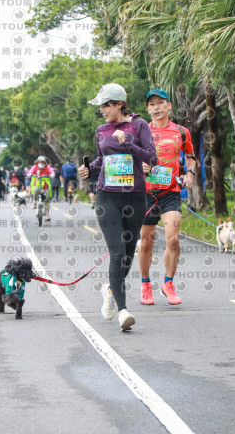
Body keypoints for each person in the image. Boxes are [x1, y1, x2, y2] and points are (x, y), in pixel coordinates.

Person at [79, 83, 157, 332]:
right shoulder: (101, 129)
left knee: (127, 254)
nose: (102, 110)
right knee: (116, 253)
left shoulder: (139, 125)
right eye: (100, 106)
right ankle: (123, 310)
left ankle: (110, 290)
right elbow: (102, 159)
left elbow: (151, 158)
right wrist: (89, 169)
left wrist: (127, 144)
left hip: (135, 196)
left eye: (106, 105)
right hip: (107, 197)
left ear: (120, 104)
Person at [138, 89, 196, 306]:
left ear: (169, 105)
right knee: (146, 242)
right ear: (147, 108)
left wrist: (189, 173)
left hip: (170, 192)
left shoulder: (181, 132)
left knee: (173, 238)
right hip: (145, 192)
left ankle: (168, 283)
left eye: (160, 102)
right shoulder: (140, 131)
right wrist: (139, 166)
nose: (156, 107)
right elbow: (127, 159)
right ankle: (145, 284)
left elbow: (190, 158)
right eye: (151, 104)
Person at [27, 156, 55, 221]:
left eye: (43, 162)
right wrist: (29, 174)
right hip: (37, 183)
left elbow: (52, 172)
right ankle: (34, 201)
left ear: (45, 162)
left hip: (45, 185)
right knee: (35, 190)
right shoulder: (35, 167)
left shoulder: (47, 167)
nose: (41, 163)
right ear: (38, 162)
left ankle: (47, 215)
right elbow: (30, 172)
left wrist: (52, 174)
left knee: (47, 199)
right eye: (40, 162)